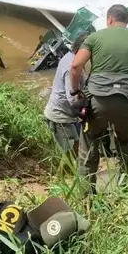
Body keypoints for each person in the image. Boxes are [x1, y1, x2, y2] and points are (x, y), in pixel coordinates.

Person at [69, 4, 128, 194]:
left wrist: (76, 92)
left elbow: (76, 66)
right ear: (127, 21)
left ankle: (86, 196)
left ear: (109, 19)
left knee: (89, 145)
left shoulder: (94, 38)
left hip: (97, 101)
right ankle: (127, 193)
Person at [42, 32, 90, 162]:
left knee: (77, 146)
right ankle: (63, 174)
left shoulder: (71, 57)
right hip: (61, 117)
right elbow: (73, 99)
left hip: (66, 114)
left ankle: (69, 171)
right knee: (69, 155)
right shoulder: (71, 67)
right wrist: (85, 111)